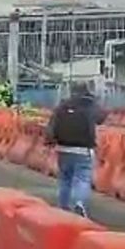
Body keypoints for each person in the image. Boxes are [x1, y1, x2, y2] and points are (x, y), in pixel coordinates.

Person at [46, 82, 107, 217]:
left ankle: (63, 208)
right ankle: (78, 203)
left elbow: (51, 125)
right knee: (82, 179)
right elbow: (101, 118)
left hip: (62, 148)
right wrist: (94, 100)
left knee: (65, 180)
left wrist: (49, 142)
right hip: (83, 149)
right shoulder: (89, 104)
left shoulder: (62, 105)